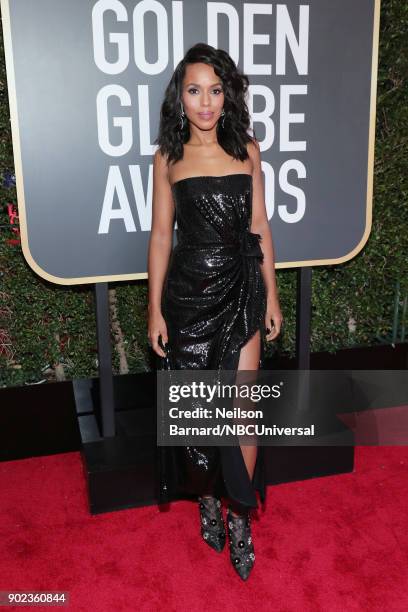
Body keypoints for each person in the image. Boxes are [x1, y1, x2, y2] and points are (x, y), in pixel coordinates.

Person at [147, 42, 282, 580]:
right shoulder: (168, 157)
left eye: (215, 90)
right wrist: (154, 310)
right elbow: (161, 237)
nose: (206, 102)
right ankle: (207, 495)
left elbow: (261, 227)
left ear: (228, 96)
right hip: (187, 295)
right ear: (181, 98)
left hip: (242, 286)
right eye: (195, 91)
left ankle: (240, 513)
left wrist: (271, 294)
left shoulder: (248, 149)